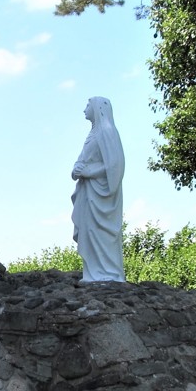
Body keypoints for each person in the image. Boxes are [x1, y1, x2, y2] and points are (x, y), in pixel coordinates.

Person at [71, 96, 126, 282]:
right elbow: (83, 160)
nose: (85, 109)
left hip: (101, 194)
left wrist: (89, 171)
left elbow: (115, 165)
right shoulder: (93, 133)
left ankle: (108, 274)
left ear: (97, 108)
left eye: (87, 105)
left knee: (100, 233)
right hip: (89, 193)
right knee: (90, 231)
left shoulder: (107, 131)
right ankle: (93, 273)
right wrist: (77, 169)